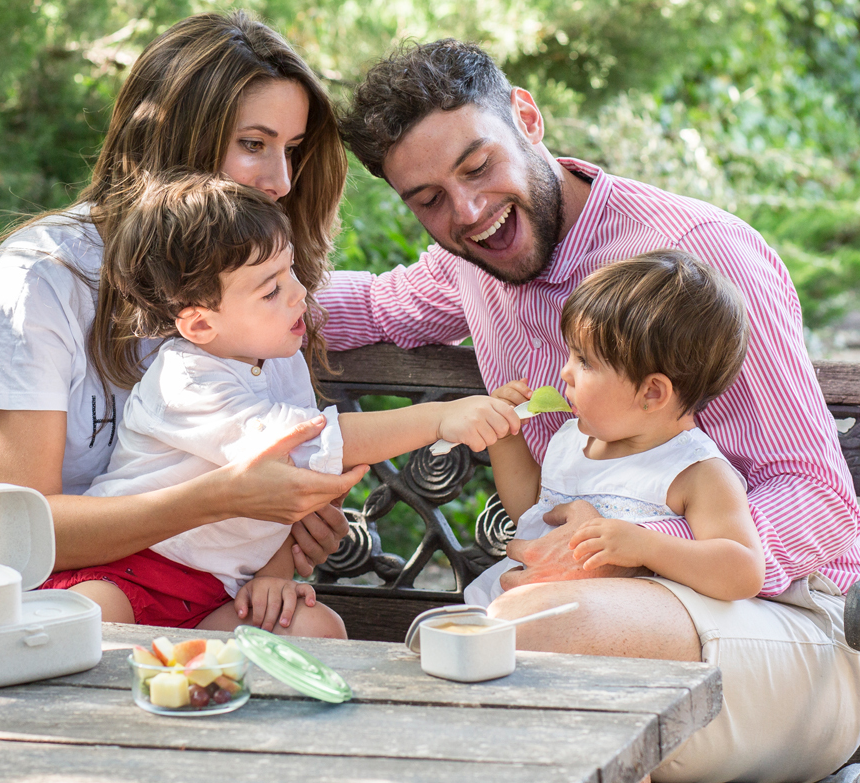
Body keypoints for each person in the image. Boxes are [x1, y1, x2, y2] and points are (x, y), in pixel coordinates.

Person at [325, 38, 860, 782]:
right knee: (475, 642)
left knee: (532, 630)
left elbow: (821, 503)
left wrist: (630, 544)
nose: (468, 211)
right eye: (428, 199)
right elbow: (370, 306)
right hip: (583, 616)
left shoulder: (698, 259)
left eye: (477, 166)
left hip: (782, 631)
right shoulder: (471, 260)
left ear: (527, 118)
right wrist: (195, 297)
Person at [0, 12, 366, 627]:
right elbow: (13, 530)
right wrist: (219, 499)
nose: (280, 181)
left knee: (312, 632)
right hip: (47, 598)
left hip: (198, 591)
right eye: (253, 144)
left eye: (291, 150)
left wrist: (289, 523)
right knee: (95, 623)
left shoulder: (256, 295)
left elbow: (278, 457)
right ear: (176, 141)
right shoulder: (38, 280)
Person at [86, 169, 522, 635]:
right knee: (92, 617)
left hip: (219, 590)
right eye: (271, 290)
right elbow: (307, 442)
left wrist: (275, 574)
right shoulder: (186, 380)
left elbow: (290, 489)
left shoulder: (279, 359)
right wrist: (440, 418)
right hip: (128, 569)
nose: (299, 293)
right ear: (200, 325)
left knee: (318, 628)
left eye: (290, 269)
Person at [465, 250, 765, 608]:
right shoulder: (573, 439)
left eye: (585, 362)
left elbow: (743, 572)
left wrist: (645, 546)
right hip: (514, 602)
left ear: (652, 393)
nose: (565, 372)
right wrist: (506, 438)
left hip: (597, 621)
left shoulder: (696, 472)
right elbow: (531, 511)